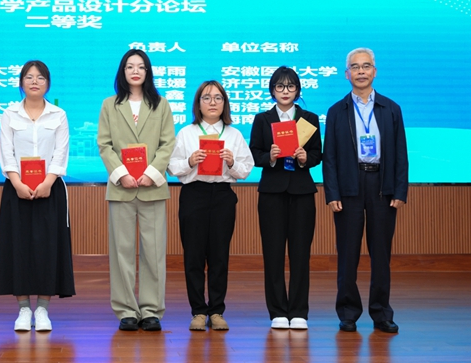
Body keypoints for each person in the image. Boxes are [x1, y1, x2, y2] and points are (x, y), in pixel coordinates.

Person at [323, 47, 408, 334]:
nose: (361, 71)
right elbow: (330, 156)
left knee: (381, 253)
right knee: (348, 253)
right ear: (346, 74)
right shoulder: (337, 111)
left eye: (366, 66)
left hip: (382, 186)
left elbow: (400, 153)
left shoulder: (391, 108)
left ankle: (381, 313)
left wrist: (400, 190)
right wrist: (332, 193)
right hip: (349, 185)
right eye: (355, 67)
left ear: (374, 71)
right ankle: (348, 312)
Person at [0, 60, 75, 332]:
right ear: (21, 82)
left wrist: (49, 181)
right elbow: (6, 152)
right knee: (19, 247)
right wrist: (16, 182)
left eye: (40, 77)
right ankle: (24, 309)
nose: (34, 81)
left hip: (50, 189)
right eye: (29, 77)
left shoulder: (58, 115)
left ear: (47, 83)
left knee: (48, 249)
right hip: (17, 189)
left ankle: (43, 309)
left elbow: (61, 152)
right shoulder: (10, 114)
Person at [97, 49, 175, 332]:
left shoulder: (161, 105)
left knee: (154, 253)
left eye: (141, 67)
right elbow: (104, 144)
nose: (135, 71)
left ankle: (151, 310)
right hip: (122, 188)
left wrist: (151, 173)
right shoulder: (110, 105)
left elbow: (168, 144)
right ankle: (127, 310)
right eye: (130, 66)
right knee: (122, 252)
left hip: (152, 188)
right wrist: (122, 174)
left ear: (147, 72)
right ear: (123, 71)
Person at [168, 80, 253, 331]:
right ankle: (197, 311)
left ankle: (216, 311)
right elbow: (172, 167)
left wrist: (232, 163)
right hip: (194, 195)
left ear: (225, 103)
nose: (212, 102)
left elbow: (246, 169)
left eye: (218, 98)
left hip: (223, 196)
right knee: (193, 256)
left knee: (219, 256)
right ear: (198, 104)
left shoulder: (234, 134)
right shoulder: (187, 133)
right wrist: (190, 161)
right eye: (206, 98)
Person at [249, 66, 322, 330]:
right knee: (273, 254)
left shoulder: (310, 119)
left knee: (301, 254)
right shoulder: (262, 119)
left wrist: (305, 158)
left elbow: (317, 154)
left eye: (290, 86)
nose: (285, 91)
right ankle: (278, 311)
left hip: (302, 192)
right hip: (271, 193)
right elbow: (254, 153)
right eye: (279, 86)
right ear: (272, 91)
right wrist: (269, 157)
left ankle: (299, 311)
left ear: (298, 90)